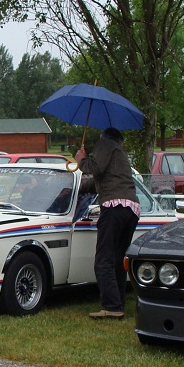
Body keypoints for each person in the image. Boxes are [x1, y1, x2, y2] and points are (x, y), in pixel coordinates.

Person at [74, 128, 140, 319]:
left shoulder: (106, 144)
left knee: (104, 260)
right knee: (118, 259)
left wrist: (81, 160)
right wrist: (76, 188)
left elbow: (95, 168)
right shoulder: (119, 153)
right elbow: (101, 181)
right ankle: (117, 304)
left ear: (105, 137)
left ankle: (111, 306)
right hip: (131, 208)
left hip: (114, 207)